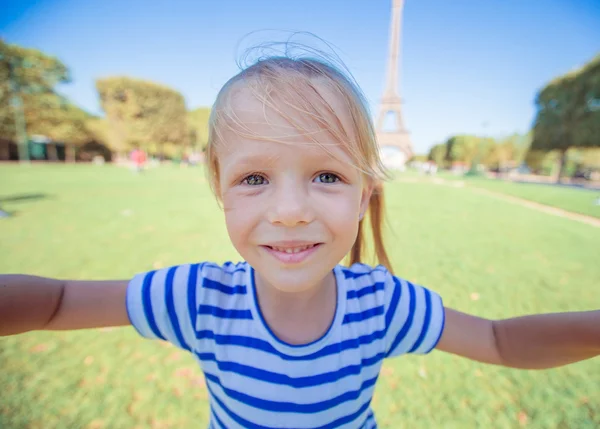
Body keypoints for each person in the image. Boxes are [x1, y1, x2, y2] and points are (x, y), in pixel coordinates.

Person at [1, 55, 599, 429]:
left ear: (366, 192)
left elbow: (498, 340)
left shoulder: (382, 305)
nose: (289, 212)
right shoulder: (199, 298)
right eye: (255, 178)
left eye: (327, 176)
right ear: (219, 186)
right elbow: (54, 302)